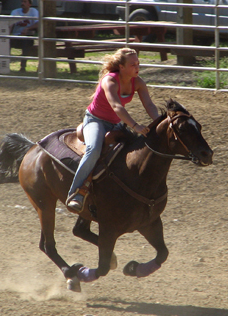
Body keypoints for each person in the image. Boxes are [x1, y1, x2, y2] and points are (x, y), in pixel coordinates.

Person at [66, 48, 160, 213]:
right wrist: (135, 126)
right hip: (95, 121)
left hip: (116, 123)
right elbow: (116, 106)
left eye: (138, 63)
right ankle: (75, 193)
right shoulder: (109, 81)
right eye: (132, 64)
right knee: (94, 149)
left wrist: (159, 124)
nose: (137, 67)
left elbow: (150, 105)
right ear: (121, 67)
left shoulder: (138, 82)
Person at [9, 0, 39, 72]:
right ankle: (5, 65)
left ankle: (23, 67)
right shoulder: (15, 12)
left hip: (27, 37)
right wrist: (8, 35)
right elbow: (10, 24)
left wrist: (28, 28)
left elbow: (38, 23)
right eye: (22, 1)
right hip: (16, 37)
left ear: (30, 4)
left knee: (26, 43)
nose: (22, 3)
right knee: (7, 42)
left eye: (25, 2)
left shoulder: (33, 11)